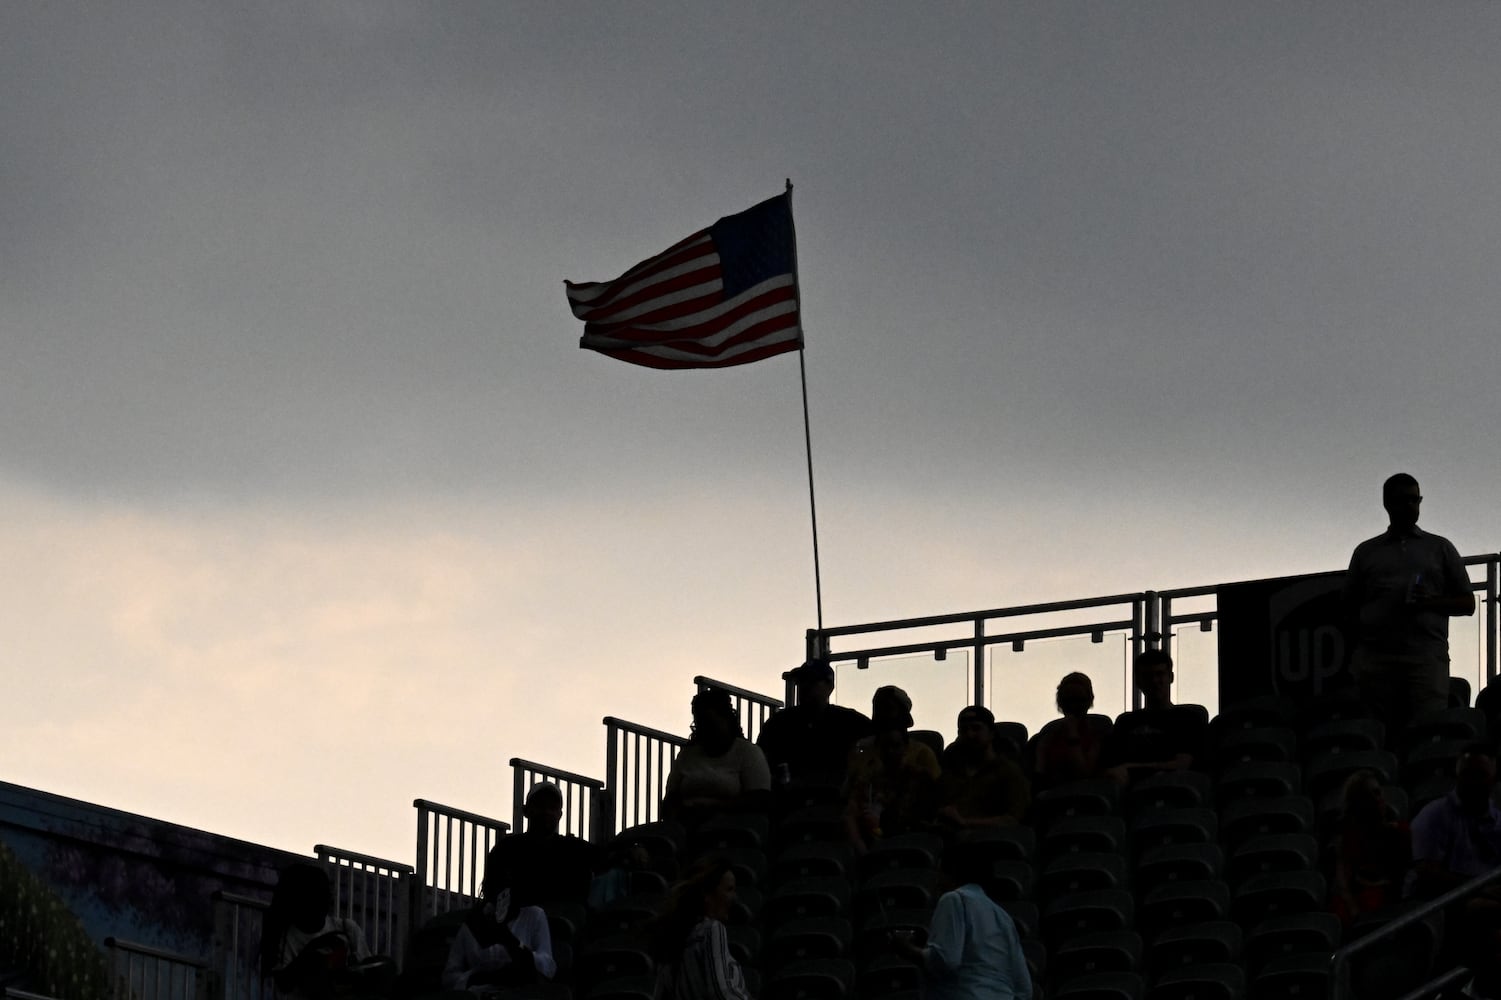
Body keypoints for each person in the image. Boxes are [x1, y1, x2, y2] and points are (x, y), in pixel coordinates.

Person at [1344, 473, 1475, 737]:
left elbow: (1467, 603)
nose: (1410, 506)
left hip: (1425, 656)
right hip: (1377, 658)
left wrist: (1429, 602)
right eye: (1402, 500)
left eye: (1415, 500)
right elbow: (1348, 606)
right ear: (1386, 504)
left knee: (1428, 732)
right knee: (1379, 733)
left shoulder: (1440, 547)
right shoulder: (1366, 552)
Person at [1407, 744, 1501, 999]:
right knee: (1480, 911)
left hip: (1488, 902)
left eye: (1479, 775)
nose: (1472, 782)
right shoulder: (1434, 815)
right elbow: (1427, 873)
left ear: (1494, 779)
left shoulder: (1498, 821)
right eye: (1466, 774)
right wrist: (1480, 887)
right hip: (1440, 905)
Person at [889, 841, 1033, 1000]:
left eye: (940, 873)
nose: (936, 883)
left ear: (953, 870)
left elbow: (945, 961)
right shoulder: (1004, 917)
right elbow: (1024, 988)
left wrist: (906, 949)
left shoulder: (954, 899)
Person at [261, 863, 389, 1000]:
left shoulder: (347, 929)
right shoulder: (284, 936)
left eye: (326, 894)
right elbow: (283, 983)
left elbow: (367, 972)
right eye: (317, 896)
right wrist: (312, 951)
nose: (326, 901)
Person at [444, 850, 558, 992]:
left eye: (511, 880)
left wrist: (512, 943)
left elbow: (547, 966)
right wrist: (478, 977)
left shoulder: (534, 916)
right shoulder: (474, 922)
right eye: (499, 879)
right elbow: (450, 977)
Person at [845, 687, 940, 853]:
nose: (883, 715)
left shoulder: (922, 753)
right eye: (879, 708)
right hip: (865, 827)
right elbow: (849, 796)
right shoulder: (860, 751)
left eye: (889, 708)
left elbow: (937, 796)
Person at [662, 688, 772, 829]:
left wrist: (717, 807)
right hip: (687, 825)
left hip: (731, 828)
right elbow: (671, 798)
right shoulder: (687, 755)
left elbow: (759, 799)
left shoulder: (749, 752)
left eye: (710, 724)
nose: (704, 730)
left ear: (726, 720)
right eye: (699, 723)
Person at [649, 858, 753, 1000]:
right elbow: (721, 991)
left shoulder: (672, 938)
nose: (734, 897)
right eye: (729, 889)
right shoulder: (712, 930)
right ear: (708, 896)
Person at [756, 659, 872, 786]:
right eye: (801, 681)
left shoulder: (851, 722)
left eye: (812, 681)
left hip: (834, 800)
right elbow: (760, 762)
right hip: (788, 801)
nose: (805, 686)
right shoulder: (778, 723)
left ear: (830, 687)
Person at [1101, 650, 1207, 786]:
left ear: (1171, 677)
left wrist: (1129, 767)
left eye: (1160, 674)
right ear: (1138, 681)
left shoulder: (1188, 718)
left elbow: (1182, 764)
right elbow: (1110, 766)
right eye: (1147, 676)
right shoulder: (1125, 722)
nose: (1154, 681)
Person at [485, 782, 599, 908]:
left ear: (560, 815)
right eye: (540, 806)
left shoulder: (573, 848)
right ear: (525, 811)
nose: (547, 812)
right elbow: (492, 891)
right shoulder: (507, 848)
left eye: (552, 807)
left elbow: (605, 855)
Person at [1327, 769, 1411, 927]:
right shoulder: (1347, 839)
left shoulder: (1400, 833)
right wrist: (1354, 910)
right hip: (1360, 905)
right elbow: (1343, 882)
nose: (1379, 799)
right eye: (1371, 794)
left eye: (1378, 793)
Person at [936, 705, 1030, 833]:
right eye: (964, 730)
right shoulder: (950, 774)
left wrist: (964, 823)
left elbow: (1014, 820)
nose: (970, 734)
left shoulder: (1009, 772)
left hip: (991, 842)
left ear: (991, 733)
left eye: (976, 728)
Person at [1031, 672, 1111, 788]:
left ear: (1089, 701)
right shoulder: (1048, 735)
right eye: (1068, 700)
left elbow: (1082, 774)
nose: (1073, 706)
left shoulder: (1099, 734)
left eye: (1079, 700)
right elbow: (1038, 776)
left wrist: (1073, 735)